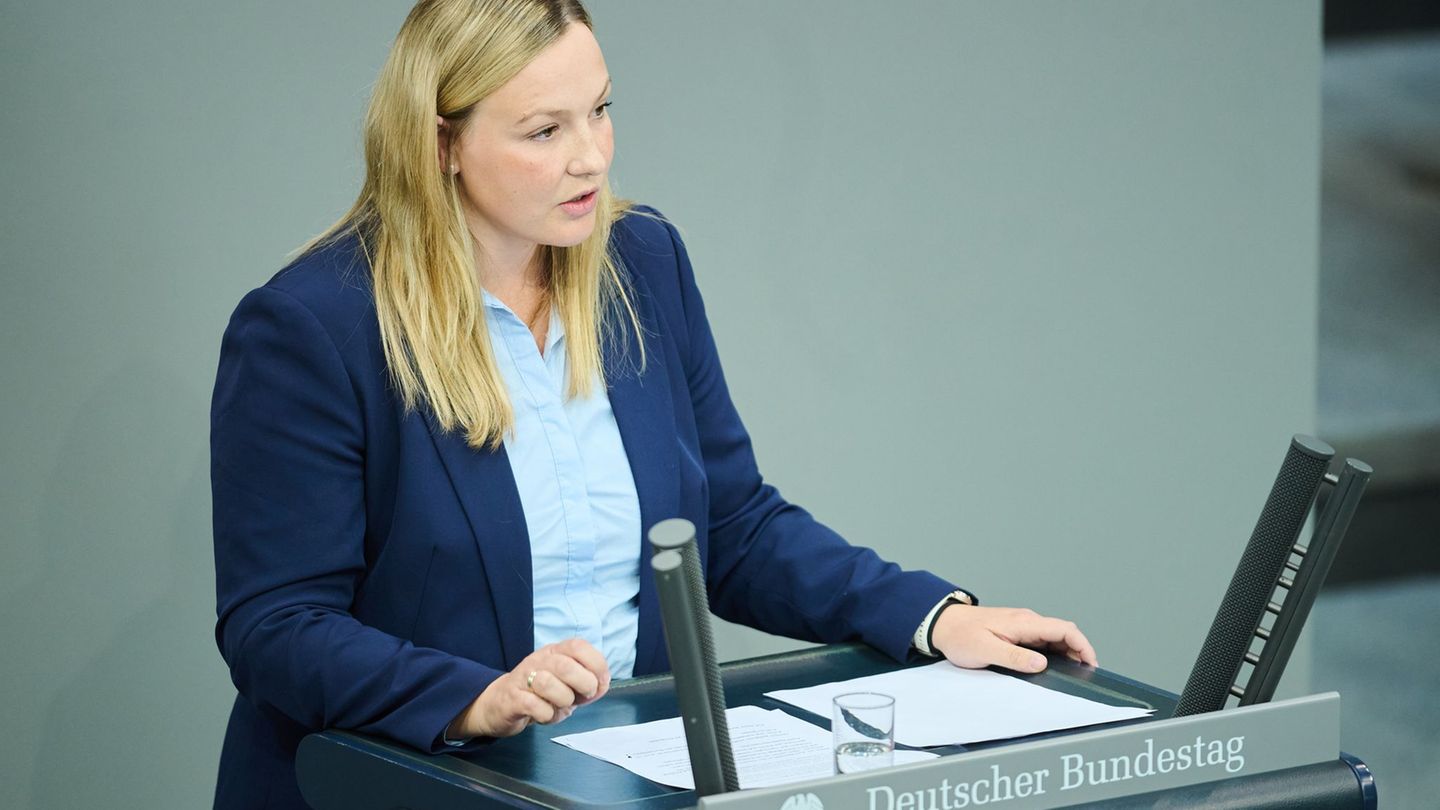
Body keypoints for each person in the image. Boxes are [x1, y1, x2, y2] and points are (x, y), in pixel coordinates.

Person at [209, 1, 1097, 807]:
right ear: (443, 143)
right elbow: (277, 625)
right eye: (543, 130)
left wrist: (933, 617)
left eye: (599, 110)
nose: (590, 155)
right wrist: (473, 699)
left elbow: (733, 525)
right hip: (405, 783)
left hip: (614, 781)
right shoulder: (314, 326)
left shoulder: (642, 263)